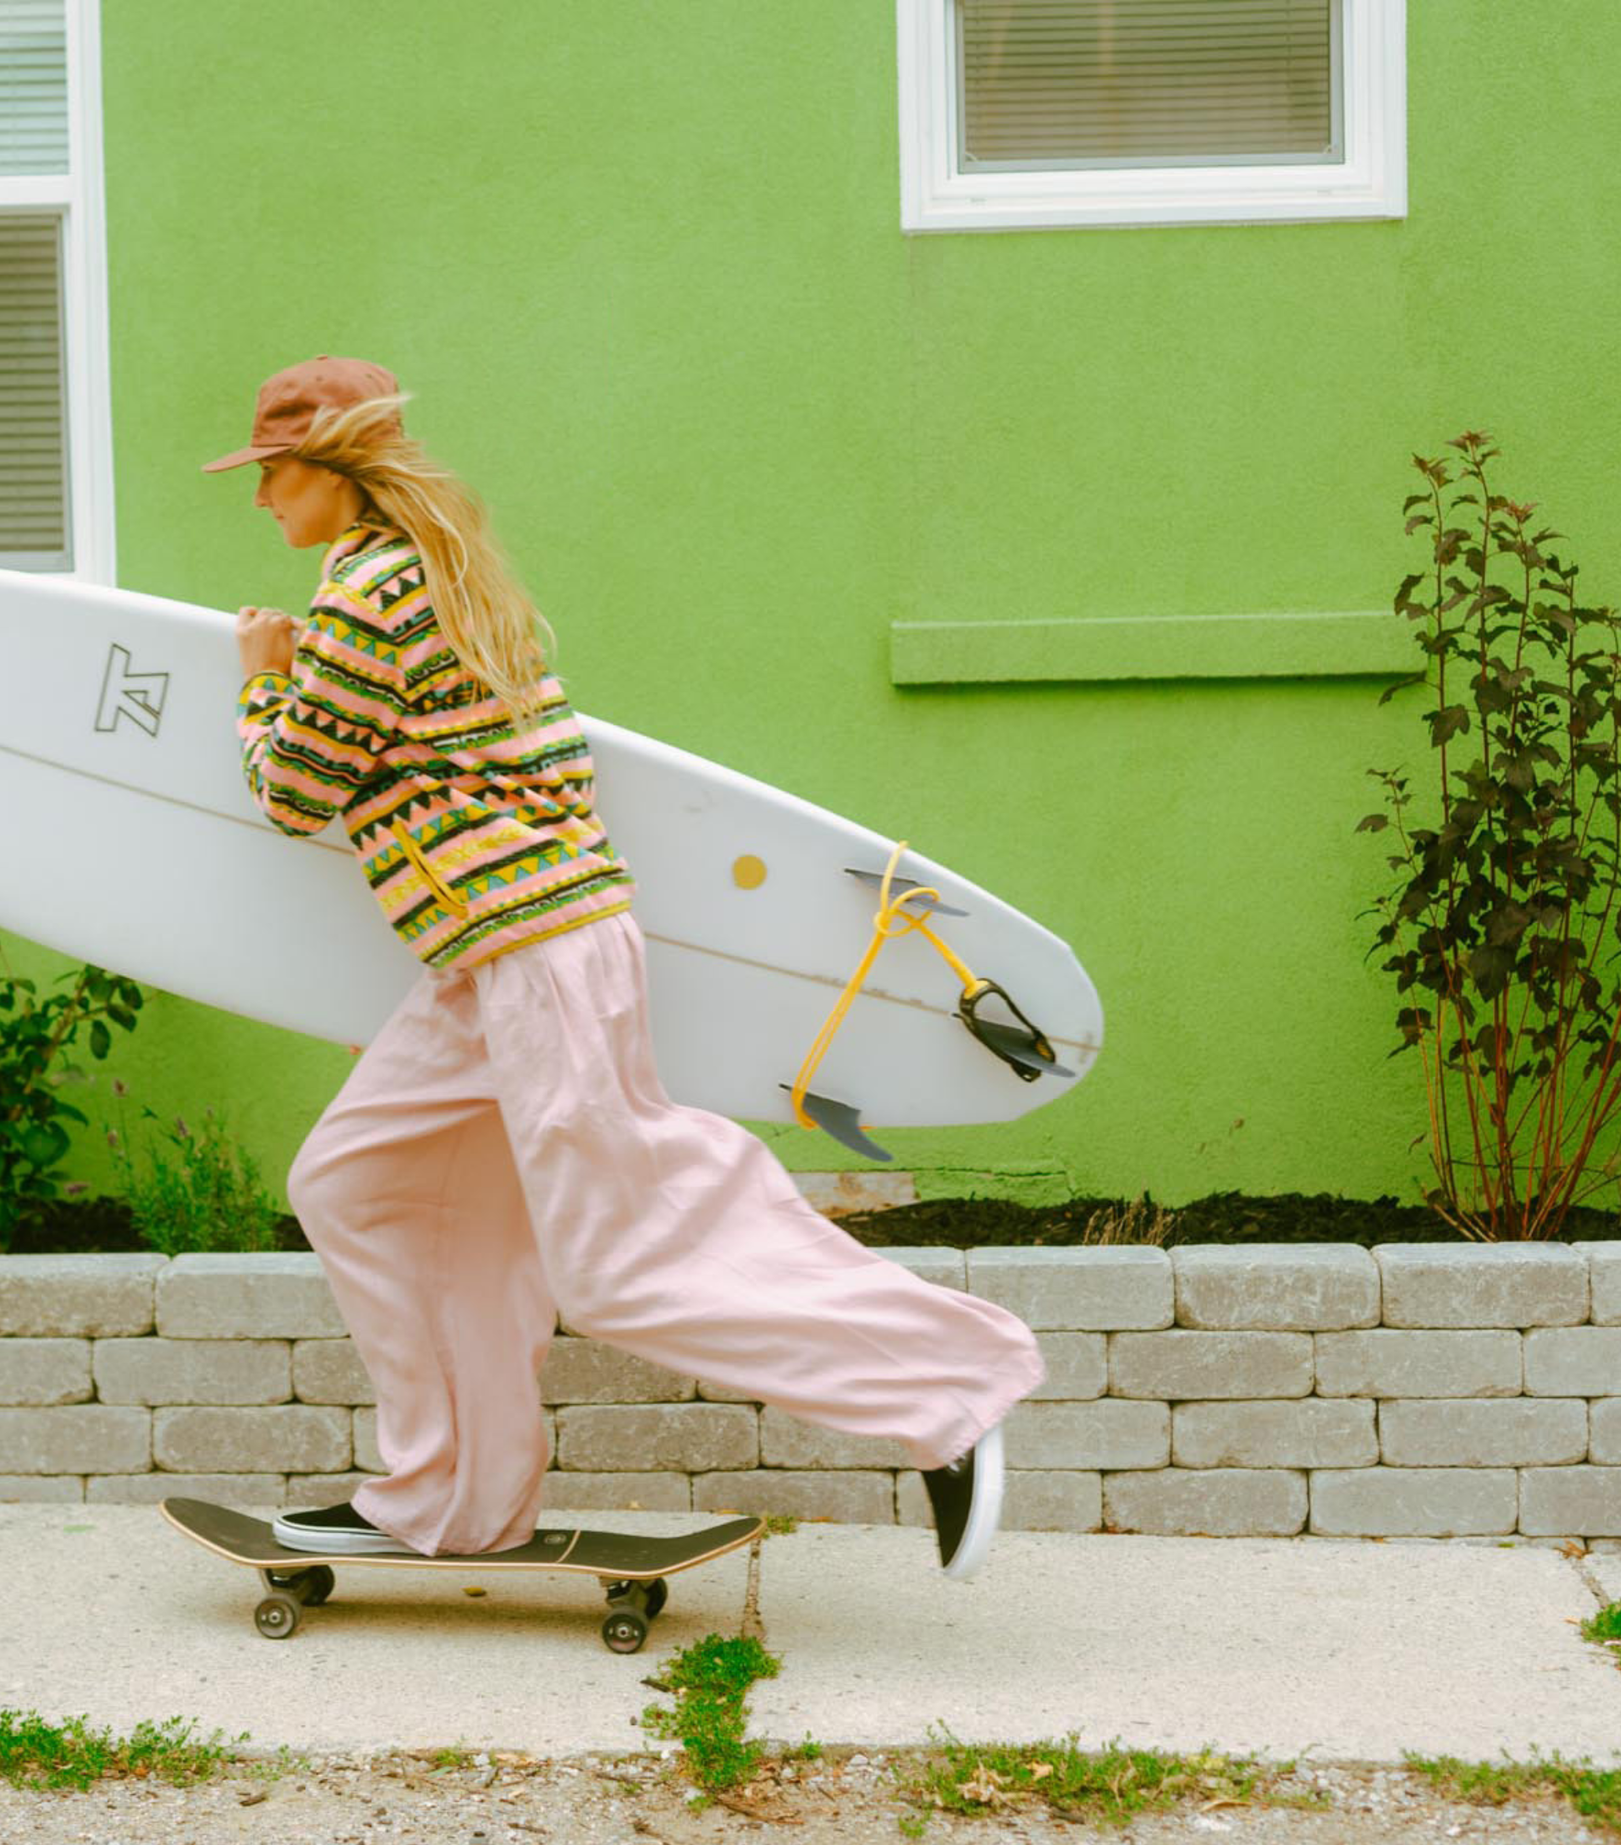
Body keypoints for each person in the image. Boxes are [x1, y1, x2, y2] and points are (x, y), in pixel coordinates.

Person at [205, 355, 1045, 1580]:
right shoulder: (446, 575)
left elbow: (294, 793)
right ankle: (451, 1500)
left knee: (618, 1258)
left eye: (273, 472)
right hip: (501, 956)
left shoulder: (366, 596)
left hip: (533, 957)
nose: (259, 497)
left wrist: (260, 684)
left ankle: (948, 1390)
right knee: (358, 1183)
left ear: (333, 470)